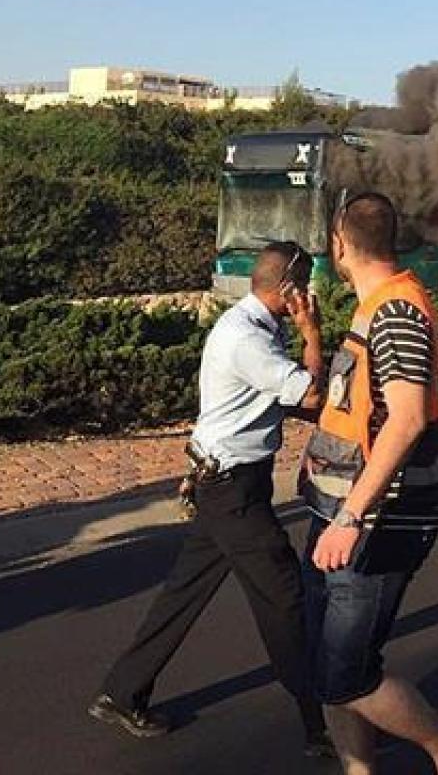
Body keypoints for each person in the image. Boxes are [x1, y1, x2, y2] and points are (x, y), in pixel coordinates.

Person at [90, 241, 331, 757]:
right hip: (232, 490)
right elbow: (311, 396)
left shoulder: (261, 326)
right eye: (306, 285)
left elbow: (291, 403)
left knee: (185, 591)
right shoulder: (248, 338)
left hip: (226, 481)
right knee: (284, 596)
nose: (311, 295)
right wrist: (314, 334)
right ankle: (320, 723)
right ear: (288, 289)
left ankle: (121, 692)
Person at [299, 192, 438, 775]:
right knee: (329, 673)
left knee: (346, 674)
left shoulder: (398, 312)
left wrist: (351, 516)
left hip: (375, 522)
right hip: (335, 516)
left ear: (339, 244)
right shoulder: (374, 306)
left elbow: (407, 418)